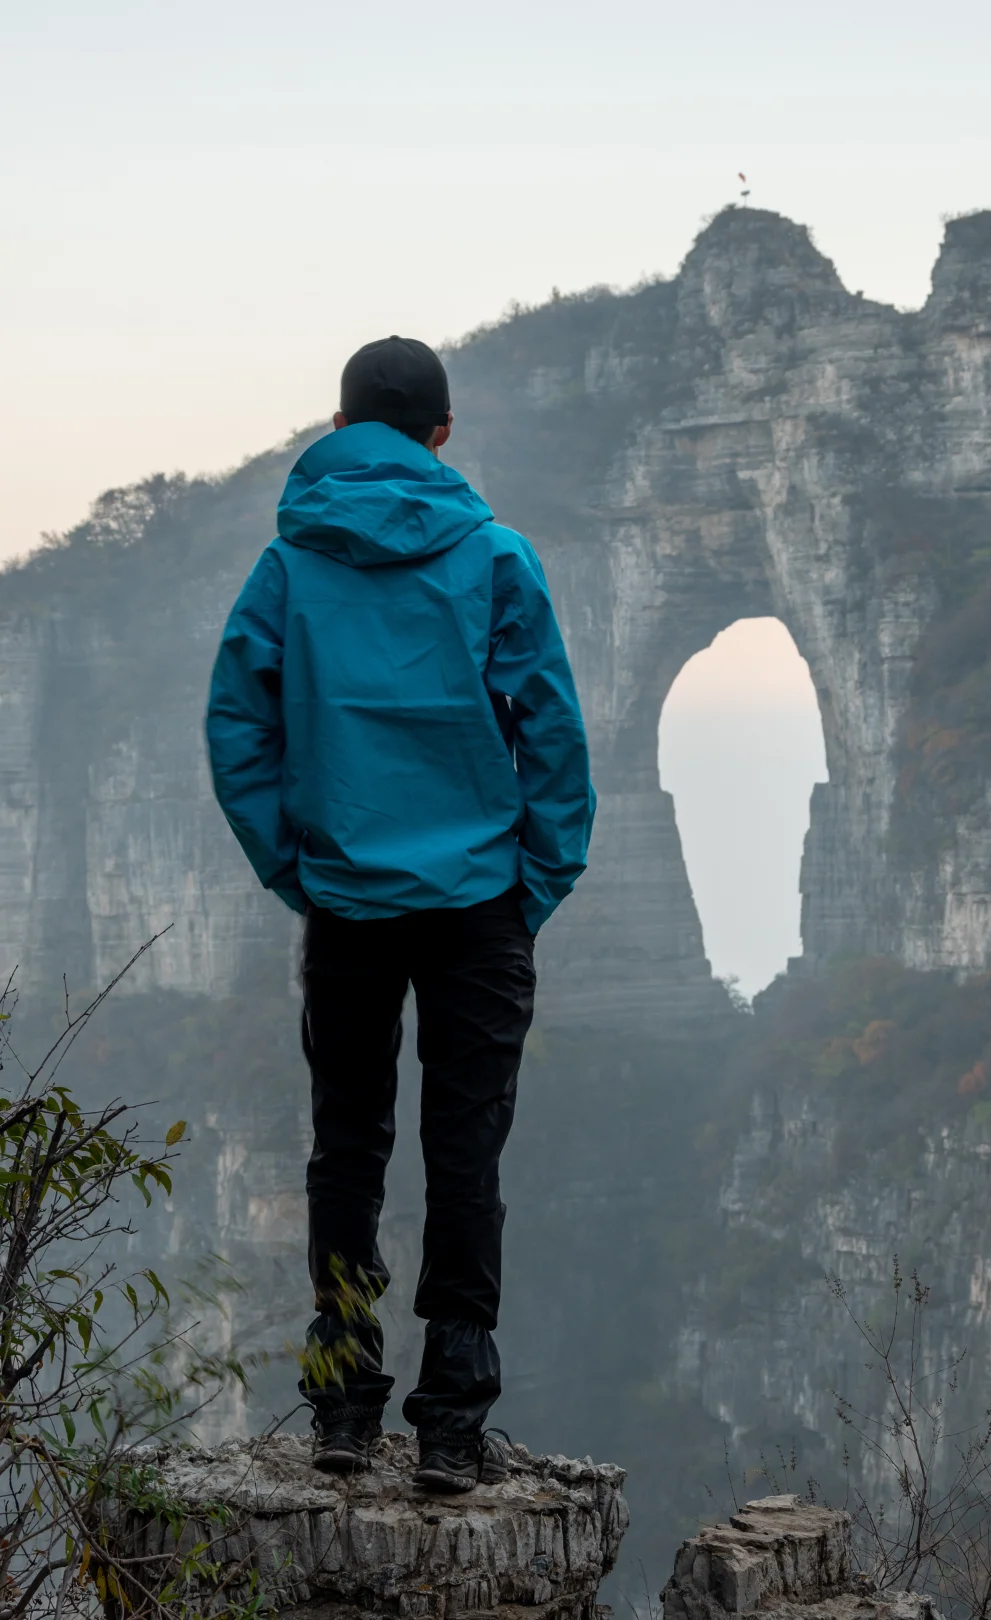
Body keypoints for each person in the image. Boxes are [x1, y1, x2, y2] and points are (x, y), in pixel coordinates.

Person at [205, 336, 595, 1492]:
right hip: (479, 905)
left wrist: (300, 869)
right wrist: (534, 884)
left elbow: (239, 731)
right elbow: (554, 735)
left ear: (339, 430)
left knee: (347, 1151)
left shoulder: (288, 566)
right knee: (464, 1153)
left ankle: (340, 1409)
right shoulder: (494, 557)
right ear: (442, 433)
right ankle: (452, 1427)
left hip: (348, 905)